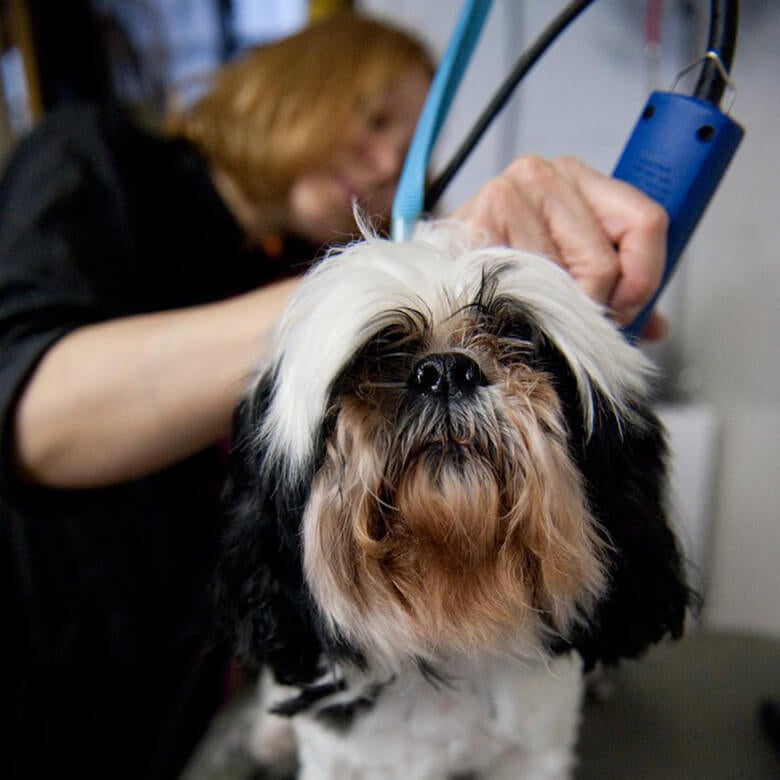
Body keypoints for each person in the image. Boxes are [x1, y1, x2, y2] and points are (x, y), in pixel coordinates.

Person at [0, 10, 668, 780]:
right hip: (77, 662)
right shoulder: (94, 160)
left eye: (409, 146)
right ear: (291, 87)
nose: (386, 158)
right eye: (374, 116)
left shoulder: (305, 252)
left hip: (251, 664)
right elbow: (30, 413)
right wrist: (355, 300)